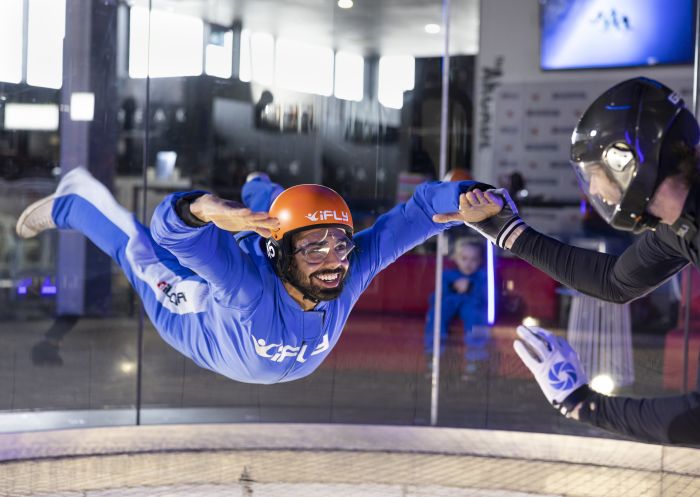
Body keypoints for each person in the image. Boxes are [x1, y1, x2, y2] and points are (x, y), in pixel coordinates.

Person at [16, 167, 496, 384]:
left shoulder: (348, 269)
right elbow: (175, 236)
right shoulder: (245, 288)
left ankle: (257, 184)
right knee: (139, 252)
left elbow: (412, 216)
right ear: (283, 253)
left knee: (272, 207)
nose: (333, 261)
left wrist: (468, 198)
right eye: (314, 247)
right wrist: (201, 207)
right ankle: (76, 201)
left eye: (340, 244)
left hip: (260, 243)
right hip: (197, 318)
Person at [448, 77, 700, 445]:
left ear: (626, 160)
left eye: (595, 174)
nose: (595, 190)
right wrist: (509, 232)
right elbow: (616, 281)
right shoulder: (682, 225)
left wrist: (581, 403)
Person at [424, 237, 488, 378]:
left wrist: (471, 286)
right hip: (449, 304)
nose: (468, 263)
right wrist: (452, 287)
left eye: (473, 259)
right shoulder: (448, 275)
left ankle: (475, 361)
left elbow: (486, 298)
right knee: (437, 313)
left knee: (475, 316)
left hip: (472, 306)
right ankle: (434, 357)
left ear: (480, 261)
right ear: (456, 258)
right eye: (464, 258)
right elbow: (434, 298)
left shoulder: (482, 277)